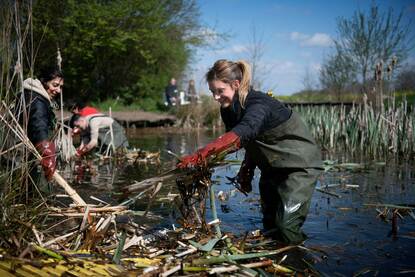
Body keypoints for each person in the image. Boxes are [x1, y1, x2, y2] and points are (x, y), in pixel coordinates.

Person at [177, 59, 323, 245]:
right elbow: (248, 141)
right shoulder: (228, 109)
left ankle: (297, 258)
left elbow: (242, 134)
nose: (215, 97)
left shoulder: (258, 104)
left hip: (299, 167)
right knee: (270, 225)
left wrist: (200, 155)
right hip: (271, 167)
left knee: (286, 226)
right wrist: (247, 169)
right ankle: (274, 261)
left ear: (236, 84)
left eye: (220, 91)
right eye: (212, 92)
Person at [18, 67, 64, 181]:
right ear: (44, 82)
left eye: (60, 87)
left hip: (25, 154)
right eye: (55, 85)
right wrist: (47, 150)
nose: (58, 90)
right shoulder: (37, 101)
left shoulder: (31, 95)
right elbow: (39, 124)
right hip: (19, 156)